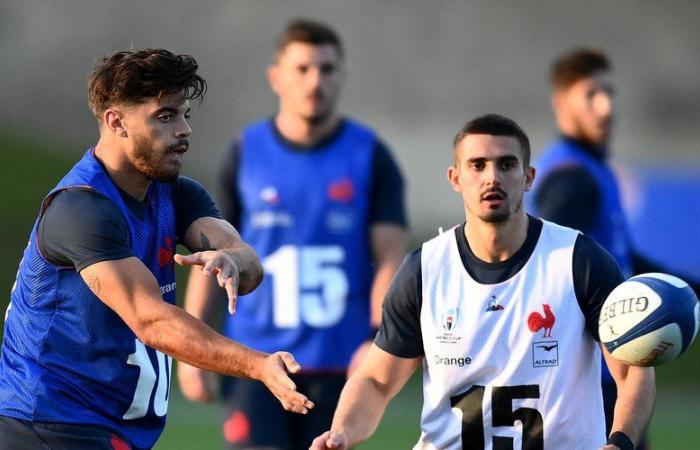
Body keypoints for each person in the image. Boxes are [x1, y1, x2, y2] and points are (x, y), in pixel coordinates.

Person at [0, 49, 314, 450]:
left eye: (185, 114)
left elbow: (247, 259)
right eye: (165, 116)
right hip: (49, 426)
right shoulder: (81, 209)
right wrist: (257, 365)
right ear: (116, 122)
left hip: (107, 429)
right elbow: (152, 322)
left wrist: (232, 259)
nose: (183, 129)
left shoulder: (176, 194)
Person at [310, 114, 655, 450]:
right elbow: (375, 380)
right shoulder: (424, 271)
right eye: (477, 165)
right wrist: (342, 433)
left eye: (506, 164)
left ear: (529, 177)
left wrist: (620, 443)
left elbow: (633, 371)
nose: (492, 177)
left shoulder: (579, 260)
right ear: (455, 178)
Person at [177, 19, 407, 450]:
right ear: (276, 76)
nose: (315, 80)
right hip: (257, 360)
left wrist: (378, 340)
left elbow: (390, 257)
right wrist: (194, 349)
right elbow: (212, 256)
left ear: (342, 76)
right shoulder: (244, 153)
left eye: (326, 68)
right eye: (302, 68)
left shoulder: (370, 155)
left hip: (342, 361)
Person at [530, 48, 700, 448]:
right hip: (594, 382)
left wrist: (688, 289)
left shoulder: (593, 169)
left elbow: (623, 258)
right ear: (561, 104)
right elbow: (549, 267)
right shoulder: (570, 180)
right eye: (591, 94)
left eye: (610, 93)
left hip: (616, 376)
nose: (606, 107)